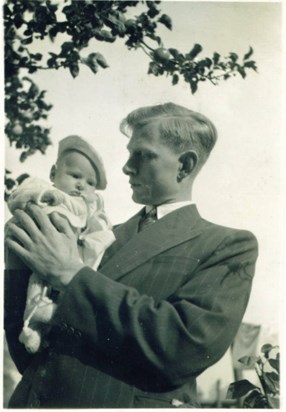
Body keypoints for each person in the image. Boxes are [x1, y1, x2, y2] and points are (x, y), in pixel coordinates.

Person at [5, 102, 258, 408]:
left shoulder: (227, 245)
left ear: (185, 165)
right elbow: (32, 354)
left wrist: (70, 275)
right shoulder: (99, 235)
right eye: (129, 154)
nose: (126, 167)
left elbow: (186, 347)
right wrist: (19, 266)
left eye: (143, 155)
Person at [5, 135, 115, 354]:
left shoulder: (88, 206)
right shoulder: (43, 189)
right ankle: (32, 326)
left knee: (75, 284)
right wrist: (46, 196)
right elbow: (18, 197)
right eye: (75, 175)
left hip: (71, 257)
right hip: (40, 249)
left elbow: (98, 225)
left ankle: (50, 322)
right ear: (53, 173)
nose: (81, 185)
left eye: (90, 183)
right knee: (37, 284)